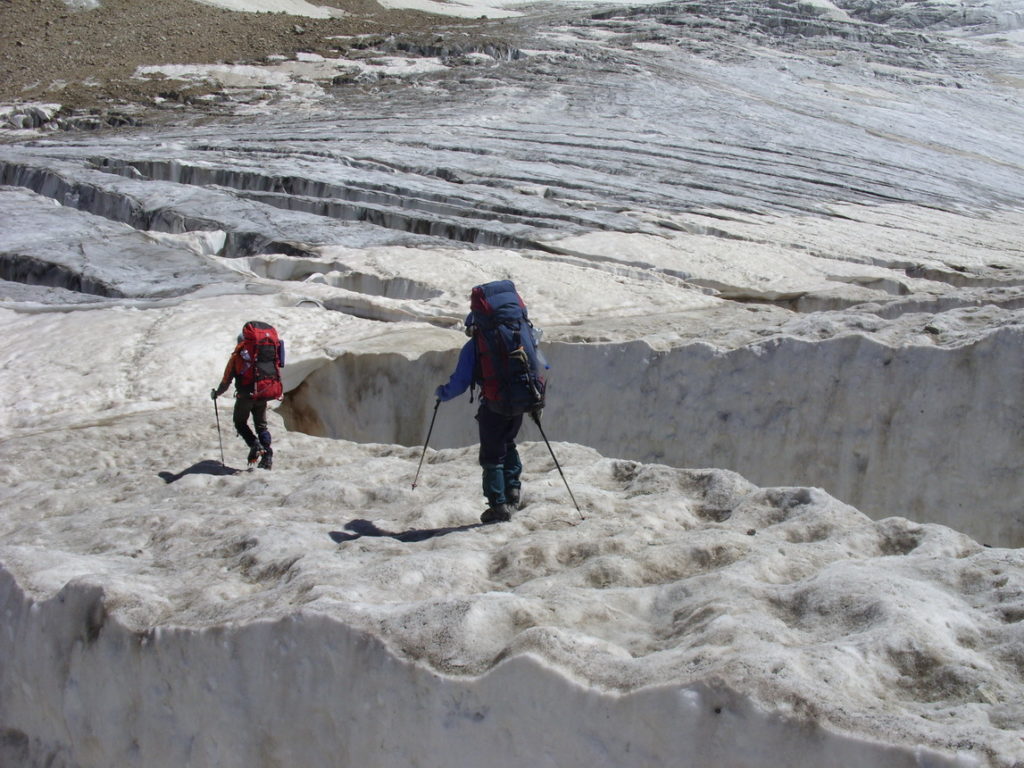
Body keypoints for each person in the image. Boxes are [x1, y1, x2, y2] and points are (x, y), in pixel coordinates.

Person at [435, 282, 547, 523]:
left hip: (495, 403)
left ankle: (498, 506)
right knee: (509, 443)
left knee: (492, 455)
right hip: (521, 399)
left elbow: (460, 382)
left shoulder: (476, 345)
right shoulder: (522, 333)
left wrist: (442, 393)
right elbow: (541, 364)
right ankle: (513, 490)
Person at [211, 322, 285, 470]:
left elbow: (226, 380)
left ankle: (254, 445)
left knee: (240, 423)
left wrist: (216, 393)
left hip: (245, 396)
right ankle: (267, 455)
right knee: (261, 427)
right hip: (262, 393)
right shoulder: (265, 356)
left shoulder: (238, 357)